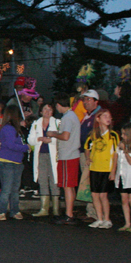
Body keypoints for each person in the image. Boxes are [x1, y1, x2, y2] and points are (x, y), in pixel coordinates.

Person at [47, 96, 81, 225]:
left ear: (59, 104)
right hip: (71, 154)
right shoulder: (72, 116)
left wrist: (53, 134)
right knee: (70, 185)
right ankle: (69, 213)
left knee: (67, 186)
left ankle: (68, 214)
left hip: (68, 155)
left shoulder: (67, 118)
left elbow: (65, 136)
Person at [83, 109, 119, 229]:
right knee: (94, 195)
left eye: (109, 116)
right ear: (98, 119)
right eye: (105, 116)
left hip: (106, 169)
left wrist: (113, 170)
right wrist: (88, 158)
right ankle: (99, 218)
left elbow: (115, 154)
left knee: (103, 195)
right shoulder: (93, 135)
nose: (108, 118)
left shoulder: (113, 135)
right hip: (94, 168)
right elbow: (86, 148)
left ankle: (107, 219)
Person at [0, 105, 30, 221]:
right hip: (7, 161)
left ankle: (14, 210)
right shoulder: (9, 128)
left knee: (14, 188)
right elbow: (10, 145)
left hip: (16, 161)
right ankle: (0, 211)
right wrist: (25, 147)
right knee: (7, 188)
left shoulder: (15, 128)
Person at [27, 103, 61, 218]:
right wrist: (39, 139)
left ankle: (56, 209)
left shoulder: (57, 123)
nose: (47, 111)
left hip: (53, 155)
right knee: (42, 180)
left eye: (49, 109)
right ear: (41, 111)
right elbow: (30, 139)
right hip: (40, 155)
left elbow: (62, 138)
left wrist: (51, 141)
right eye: (45, 109)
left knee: (54, 180)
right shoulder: (36, 124)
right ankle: (44, 208)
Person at [78, 89, 102, 221]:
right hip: (84, 151)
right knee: (87, 181)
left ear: (95, 101)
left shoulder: (98, 115)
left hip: (91, 153)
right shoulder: (88, 115)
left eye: (88, 99)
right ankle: (91, 210)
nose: (85, 102)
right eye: (84, 99)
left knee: (91, 182)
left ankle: (94, 212)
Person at [116, 123, 131, 233]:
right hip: (122, 176)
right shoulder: (121, 145)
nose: (122, 136)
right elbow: (117, 160)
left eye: (125, 134)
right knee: (124, 200)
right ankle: (127, 223)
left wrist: (125, 150)